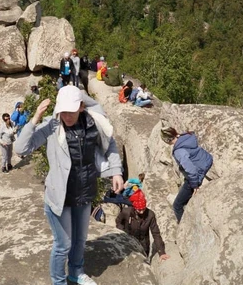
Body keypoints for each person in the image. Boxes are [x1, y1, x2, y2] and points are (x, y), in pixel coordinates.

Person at [14, 86, 124, 285]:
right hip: (60, 196)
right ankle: (58, 281)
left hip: (84, 191)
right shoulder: (51, 126)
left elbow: (110, 143)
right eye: (62, 111)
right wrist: (35, 118)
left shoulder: (94, 122)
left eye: (70, 110)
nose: (66, 115)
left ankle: (76, 272)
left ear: (81, 106)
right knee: (63, 244)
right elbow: (21, 148)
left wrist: (116, 170)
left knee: (80, 239)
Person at [160, 127, 213, 223]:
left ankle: (184, 228)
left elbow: (191, 169)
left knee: (177, 205)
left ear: (167, 141)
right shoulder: (186, 136)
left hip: (197, 172)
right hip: (206, 160)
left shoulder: (179, 151)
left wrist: (195, 185)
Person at [115, 190, 169, 264]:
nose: (142, 212)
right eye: (139, 210)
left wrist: (161, 252)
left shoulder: (150, 215)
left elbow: (155, 233)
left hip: (143, 244)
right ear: (134, 207)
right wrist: (123, 233)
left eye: (143, 209)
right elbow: (118, 222)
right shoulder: (126, 212)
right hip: (128, 241)